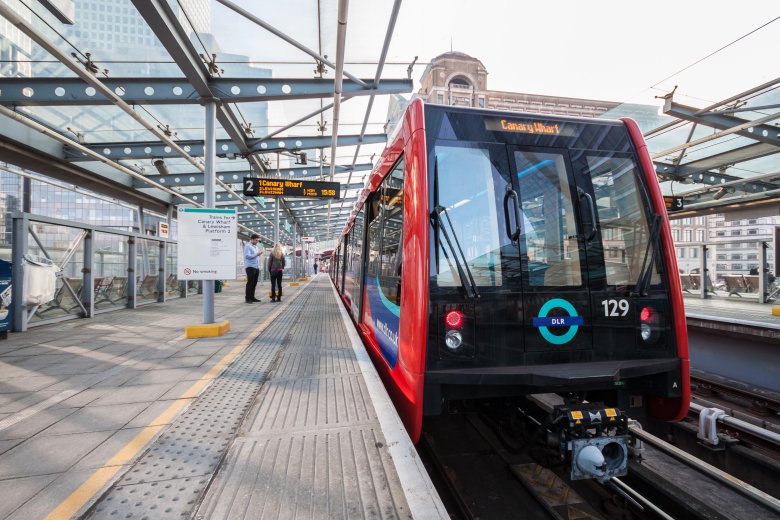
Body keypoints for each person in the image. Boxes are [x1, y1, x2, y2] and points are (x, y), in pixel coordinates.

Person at [243, 234, 261, 303]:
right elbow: (247, 256)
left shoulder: (255, 247)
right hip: (250, 267)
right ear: (252, 239)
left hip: (256, 267)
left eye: (258, 240)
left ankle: (252, 297)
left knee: (254, 283)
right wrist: (257, 254)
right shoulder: (248, 246)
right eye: (256, 240)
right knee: (250, 283)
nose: (257, 241)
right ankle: (247, 298)